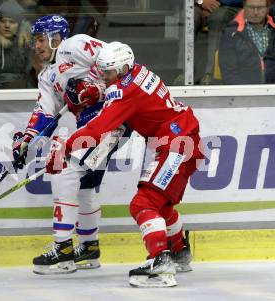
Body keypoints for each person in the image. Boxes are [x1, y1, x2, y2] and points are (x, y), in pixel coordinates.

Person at [45, 42, 203, 287]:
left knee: (143, 203)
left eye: (107, 72)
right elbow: (127, 115)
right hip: (182, 139)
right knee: (161, 203)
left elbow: (98, 128)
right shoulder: (139, 71)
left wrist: (66, 147)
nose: (104, 77)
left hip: (176, 144)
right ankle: (180, 253)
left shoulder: (121, 91)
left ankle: (161, 265)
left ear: (123, 68)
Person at [13, 15, 128, 275]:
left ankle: (62, 251)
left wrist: (96, 89)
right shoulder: (47, 76)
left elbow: (119, 66)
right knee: (85, 184)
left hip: (113, 118)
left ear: (55, 38)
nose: (37, 46)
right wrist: (27, 139)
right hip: (94, 128)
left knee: (64, 169)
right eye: (35, 41)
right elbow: (45, 113)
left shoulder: (75, 45)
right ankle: (88, 247)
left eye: (41, 40)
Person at [219, 0, 275, 84]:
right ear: (244, 7)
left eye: (260, 8)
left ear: (268, 8)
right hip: (244, 92)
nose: (255, 12)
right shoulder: (231, 33)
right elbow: (229, 74)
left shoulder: (273, 30)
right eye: (251, 7)